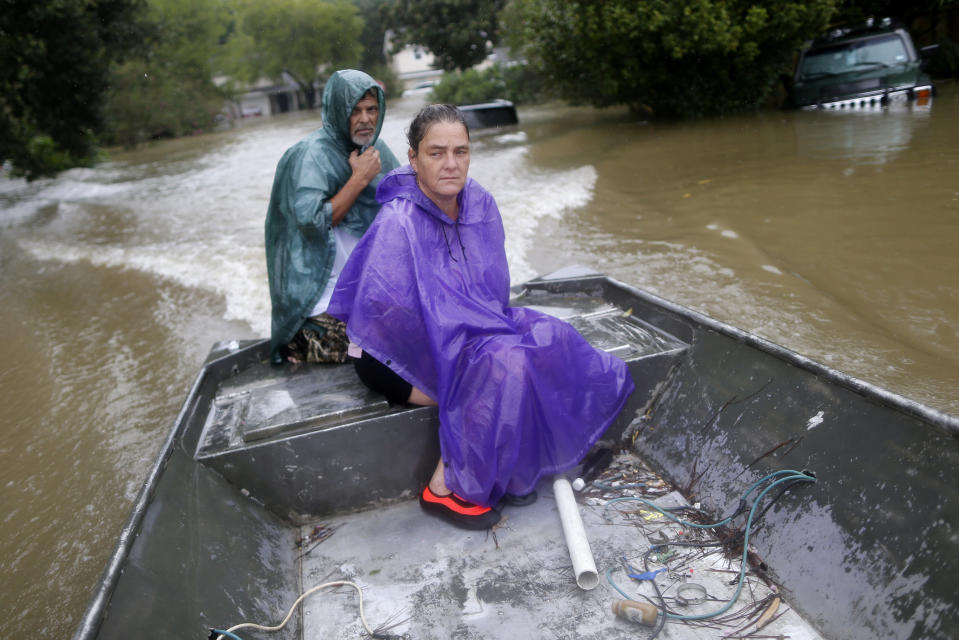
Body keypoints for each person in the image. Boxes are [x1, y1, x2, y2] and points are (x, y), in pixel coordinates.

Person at [327, 104, 635, 530]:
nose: (451, 164)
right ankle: (443, 488)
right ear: (413, 158)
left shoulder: (481, 204)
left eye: (461, 151)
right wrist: (466, 348)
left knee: (551, 338)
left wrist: (474, 334)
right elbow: (384, 323)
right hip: (395, 357)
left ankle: (515, 464)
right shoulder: (397, 222)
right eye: (436, 153)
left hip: (468, 327)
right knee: (503, 362)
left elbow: (491, 293)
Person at [265, 69, 400, 365]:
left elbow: (407, 212)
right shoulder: (312, 155)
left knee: (418, 331)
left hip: (365, 295)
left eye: (371, 109)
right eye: (355, 110)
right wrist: (359, 179)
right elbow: (312, 223)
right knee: (368, 354)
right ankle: (300, 344)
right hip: (319, 302)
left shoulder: (378, 151)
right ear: (339, 110)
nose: (365, 119)